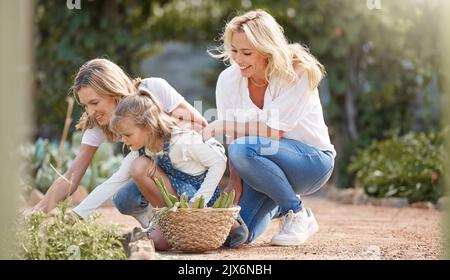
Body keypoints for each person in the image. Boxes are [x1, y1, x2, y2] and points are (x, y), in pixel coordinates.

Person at [203, 9, 336, 246]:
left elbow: (274, 132)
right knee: (234, 235)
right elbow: (234, 137)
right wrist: (235, 181)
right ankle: (277, 199)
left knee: (244, 149)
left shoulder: (297, 72)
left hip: (312, 163)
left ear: (266, 51)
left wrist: (223, 124)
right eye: (234, 51)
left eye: (246, 53)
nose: (238, 60)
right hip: (262, 166)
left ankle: (296, 213)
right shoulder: (227, 80)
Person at [34, 58, 207, 226]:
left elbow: (201, 126)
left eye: (94, 102)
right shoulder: (97, 124)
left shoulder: (152, 88)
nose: (91, 112)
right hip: (160, 179)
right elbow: (72, 175)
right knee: (124, 198)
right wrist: (38, 212)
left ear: (114, 92)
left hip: (192, 176)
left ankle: (187, 221)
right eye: (85, 105)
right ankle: (168, 225)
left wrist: (156, 128)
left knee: (140, 167)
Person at [77, 89, 227, 250]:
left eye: (127, 135)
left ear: (148, 127)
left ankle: (231, 227)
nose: (124, 141)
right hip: (177, 202)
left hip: (198, 201)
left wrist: (198, 202)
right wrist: (78, 215)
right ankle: (167, 223)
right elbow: (114, 181)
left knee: (230, 235)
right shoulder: (141, 150)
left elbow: (218, 162)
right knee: (159, 243)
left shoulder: (183, 141)